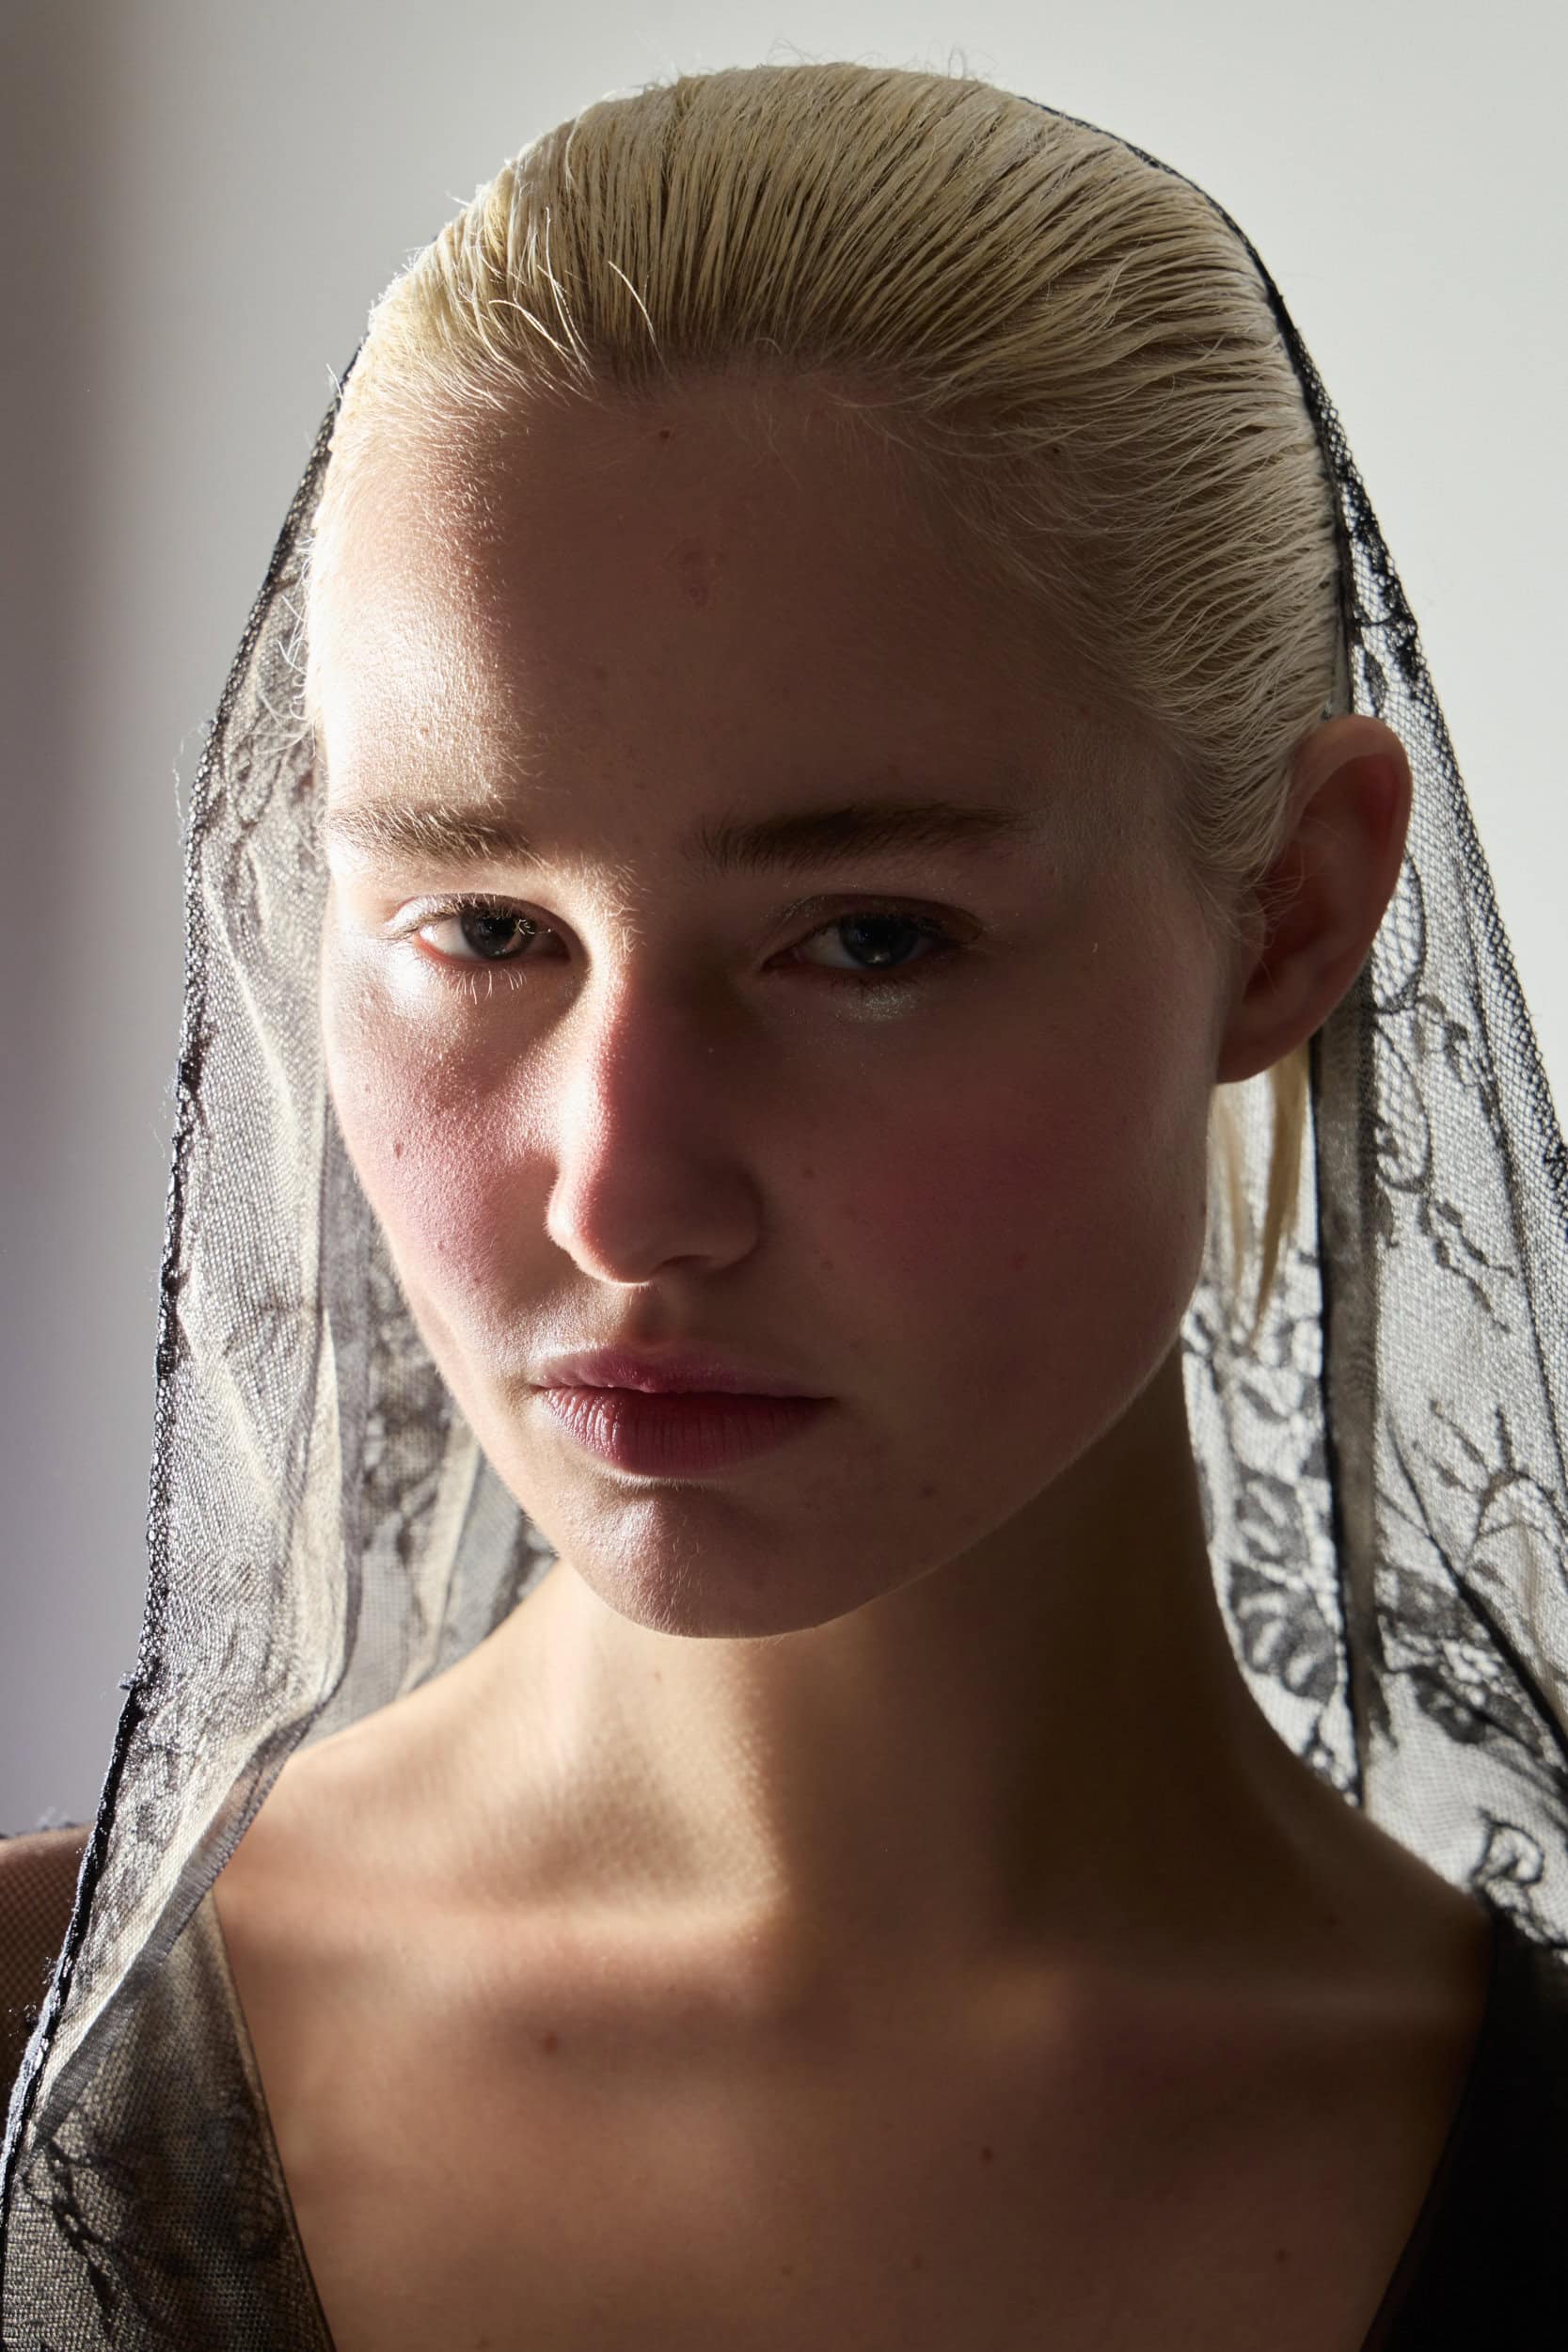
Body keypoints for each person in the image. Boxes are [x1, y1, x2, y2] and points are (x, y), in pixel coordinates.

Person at [3, 59, 1566, 2351]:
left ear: (1294, 915)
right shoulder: (18, 2063)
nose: (625, 1197)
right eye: (486, 926)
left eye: (869, 937)